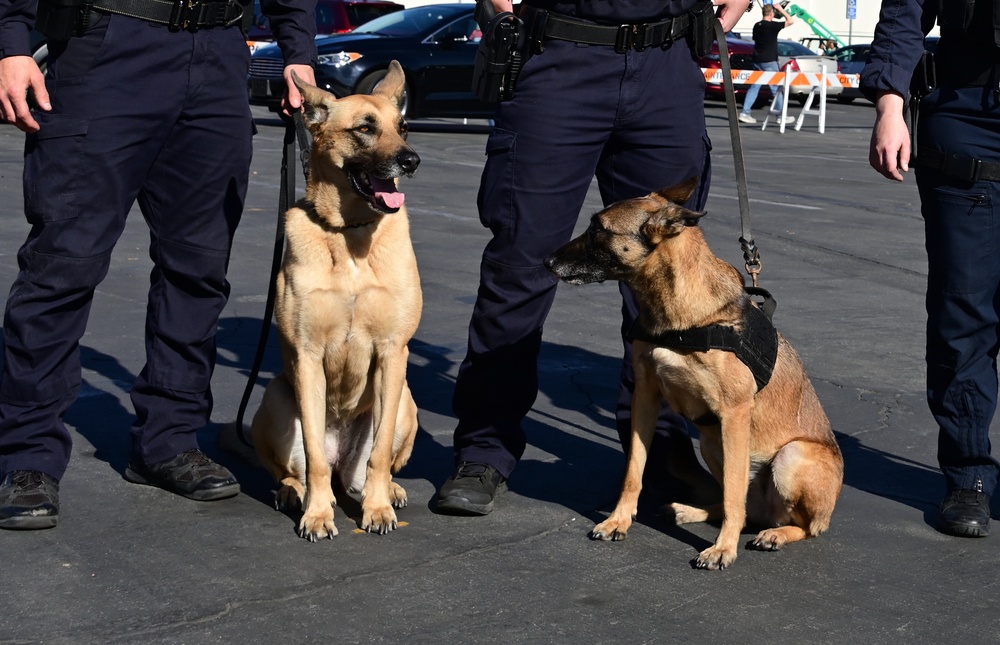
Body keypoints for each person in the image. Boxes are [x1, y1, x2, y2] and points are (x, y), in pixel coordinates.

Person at [0, 0, 317, 529]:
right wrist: (11, 41)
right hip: (108, 45)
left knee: (197, 271)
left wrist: (298, 51)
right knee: (62, 267)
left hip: (218, 54)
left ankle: (167, 441)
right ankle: (27, 457)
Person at [435, 0, 748, 515]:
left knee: (669, 275)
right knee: (521, 267)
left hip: (668, 61)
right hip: (559, 56)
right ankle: (484, 448)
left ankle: (662, 447)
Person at [863, 0, 1000, 537]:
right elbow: (904, 15)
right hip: (967, 116)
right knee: (963, 311)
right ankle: (968, 476)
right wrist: (889, 107)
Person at [737, 1, 795, 125]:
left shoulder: (756, 26)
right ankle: (781, 115)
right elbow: (790, 21)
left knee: (754, 86)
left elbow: (755, 39)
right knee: (776, 88)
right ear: (772, 13)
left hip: (757, 60)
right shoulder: (772, 26)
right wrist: (781, 9)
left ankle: (745, 113)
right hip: (769, 60)